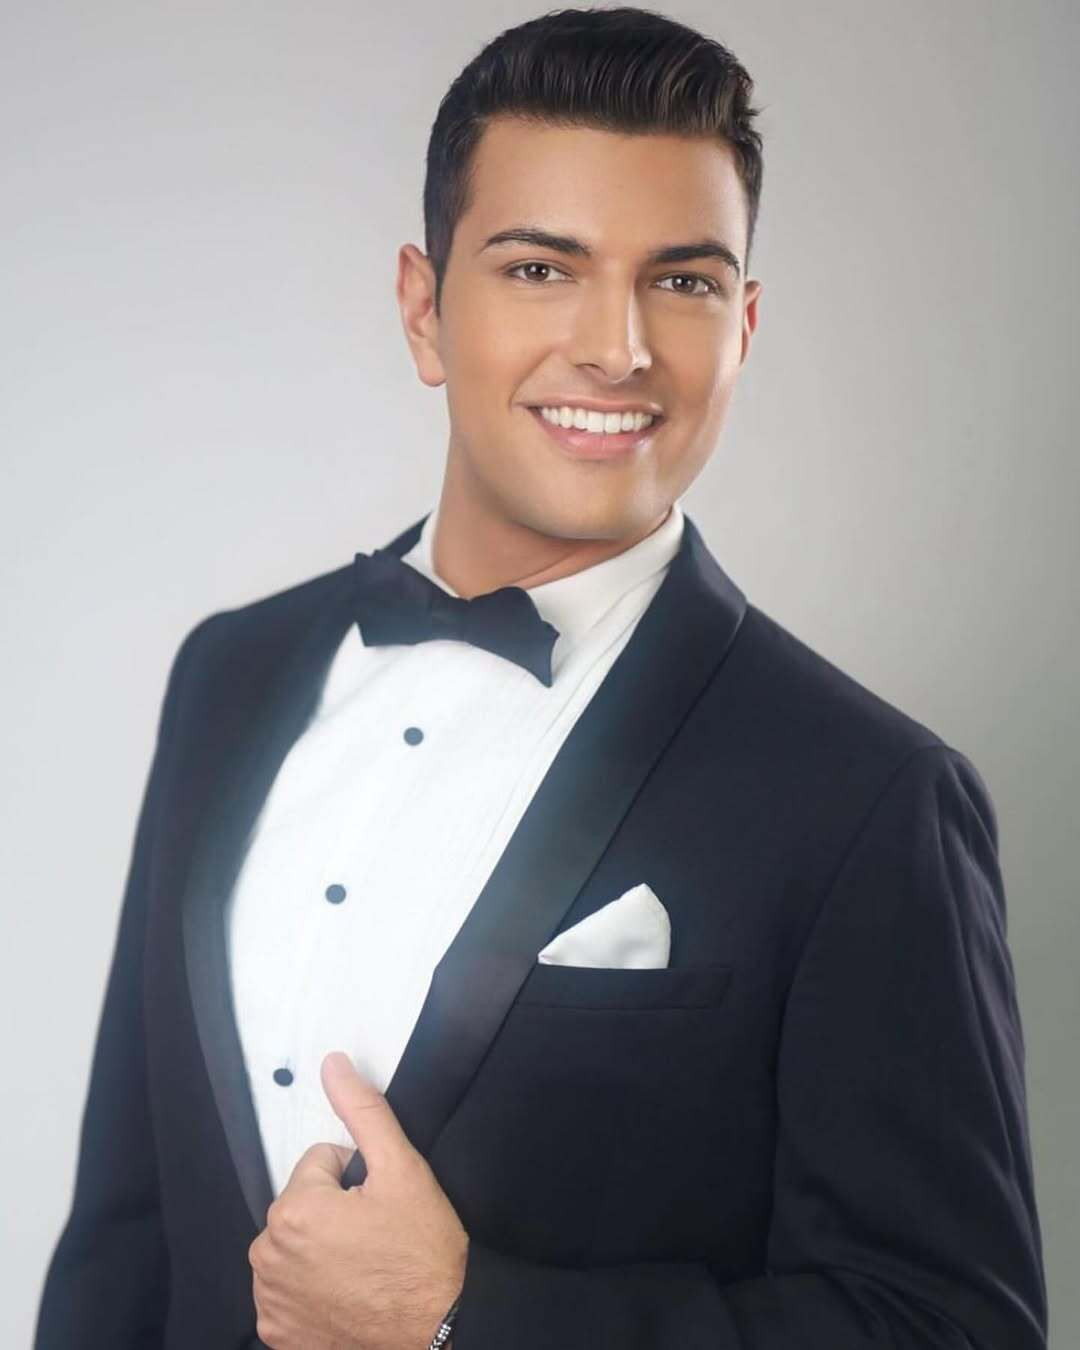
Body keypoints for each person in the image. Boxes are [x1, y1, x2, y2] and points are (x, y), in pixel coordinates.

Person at [34, 7, 1048, 1348]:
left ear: (744, 326)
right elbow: (123, 1232)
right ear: (423, 309)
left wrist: (468, 1315)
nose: (617, 346)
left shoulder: (872, 797)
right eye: (538, 268)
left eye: (683, 282)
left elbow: (951, 1326)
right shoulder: (230, 672)